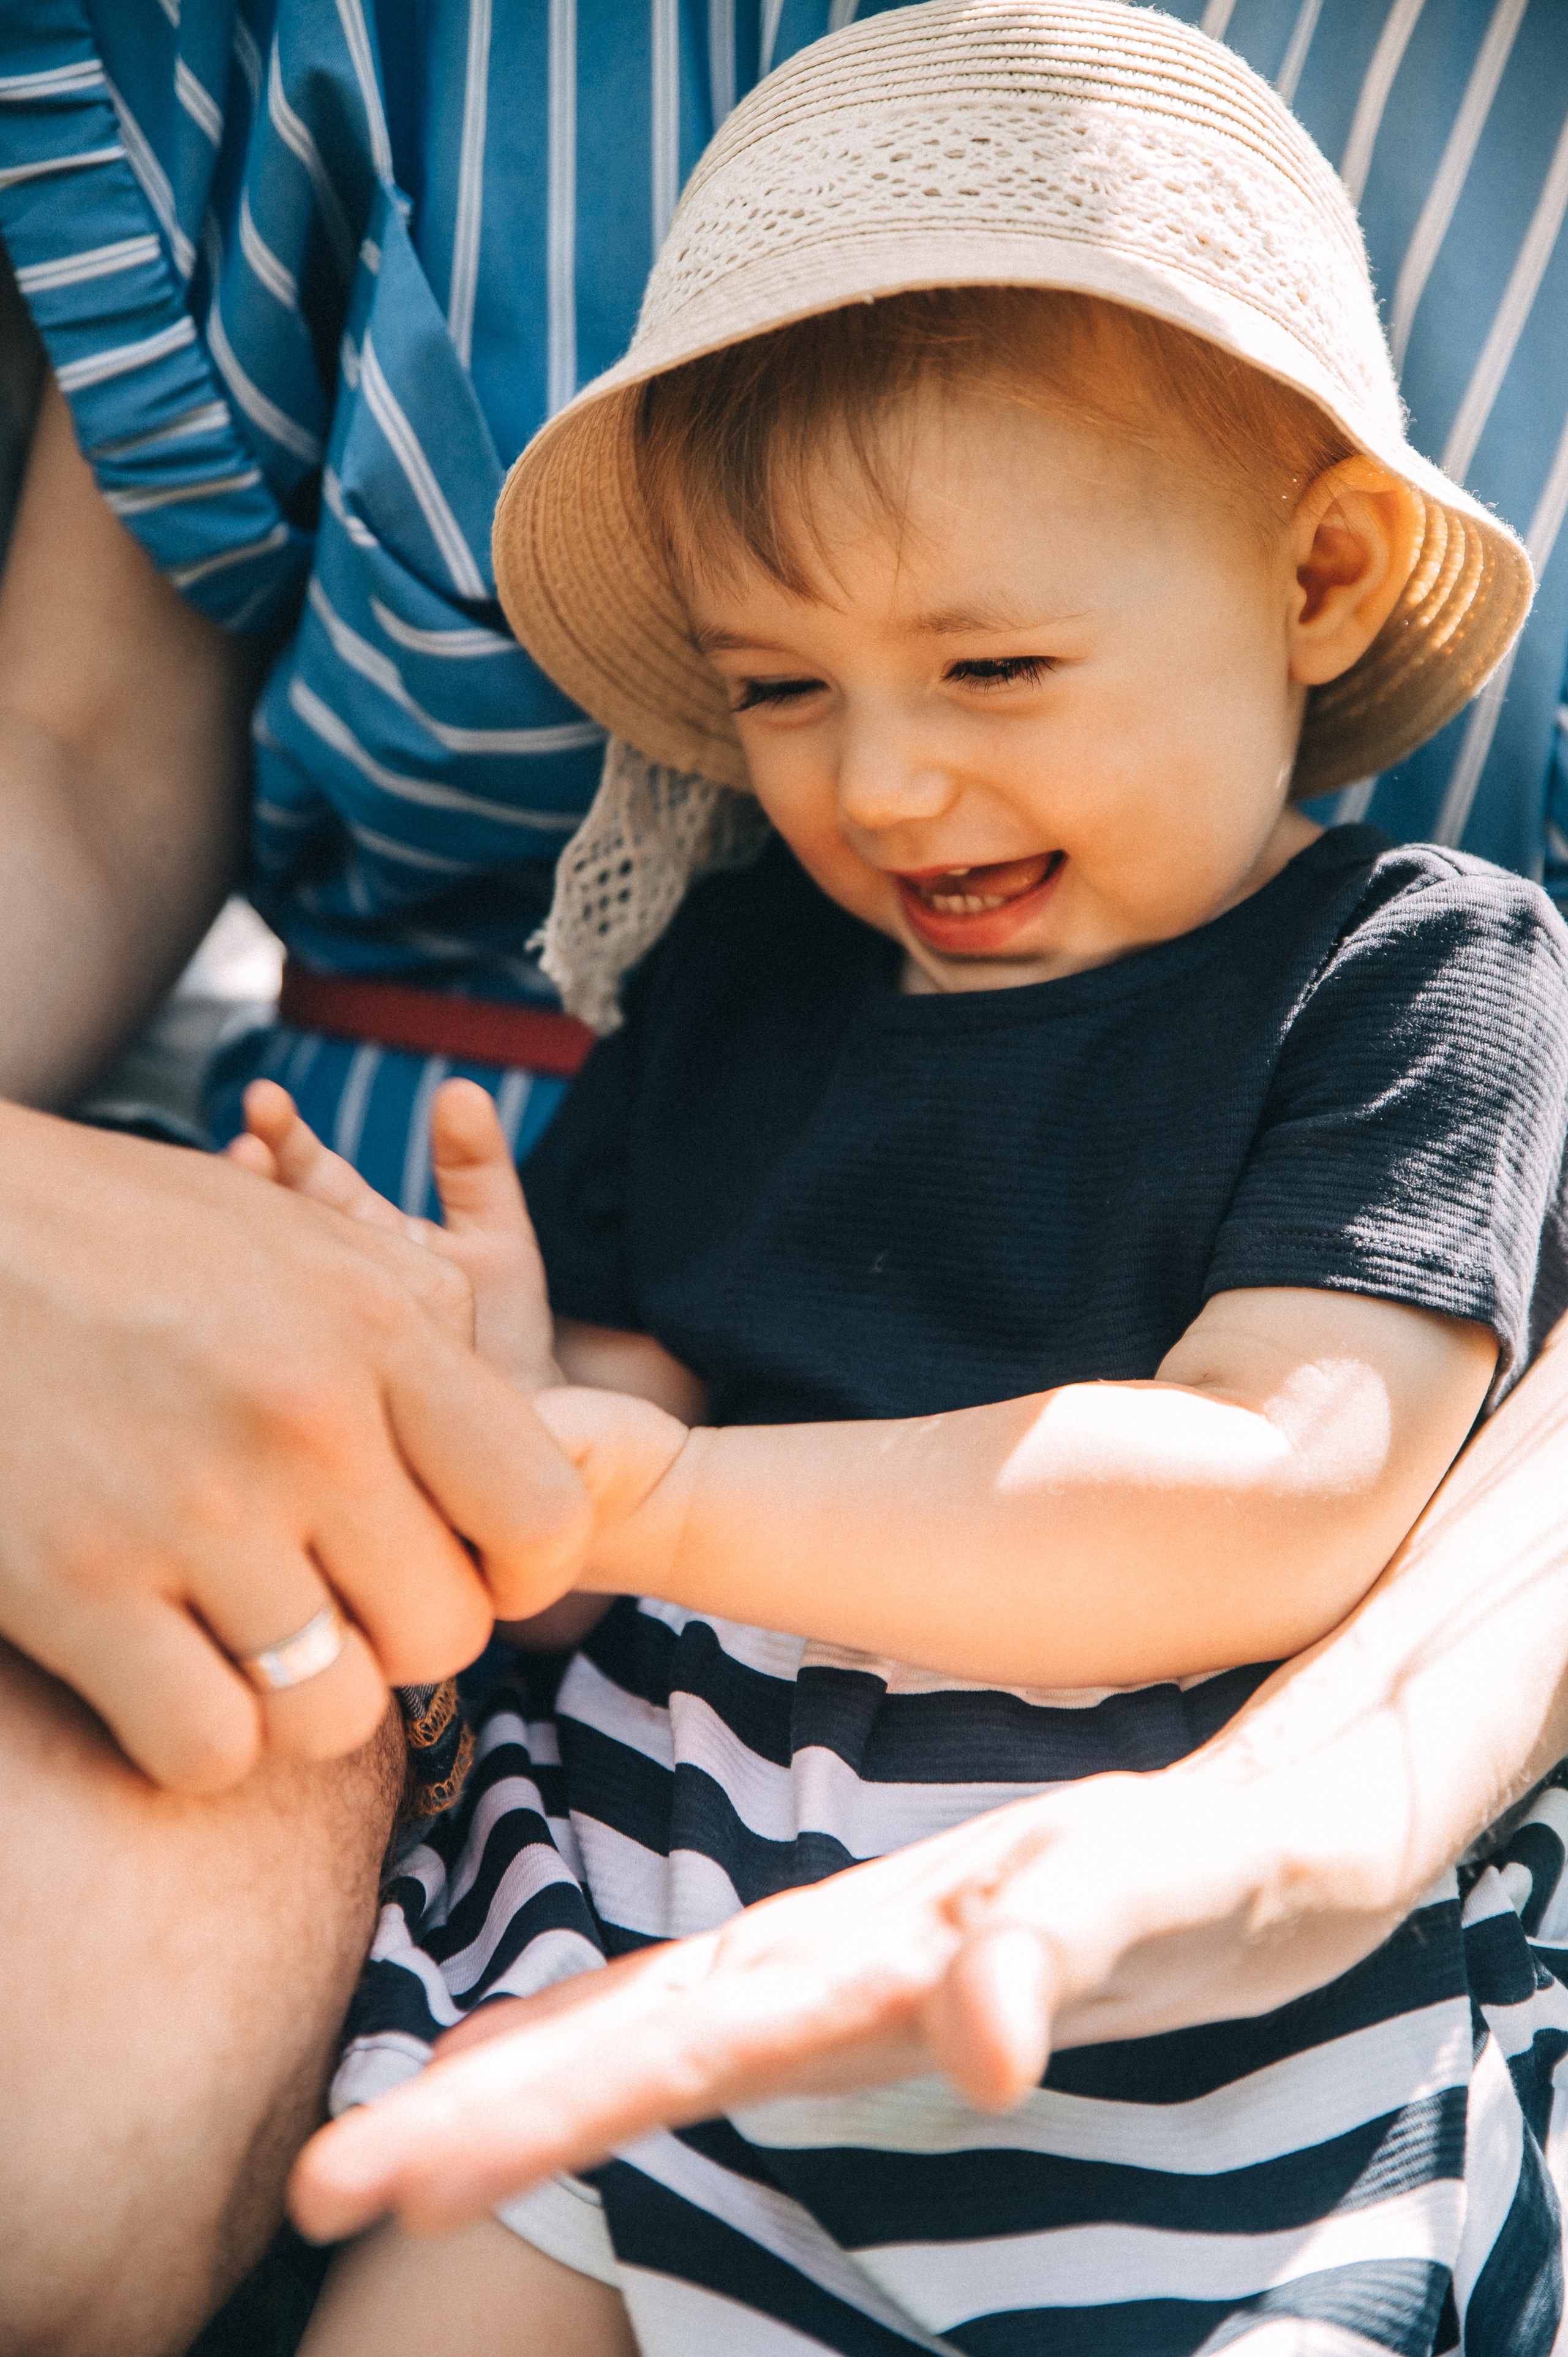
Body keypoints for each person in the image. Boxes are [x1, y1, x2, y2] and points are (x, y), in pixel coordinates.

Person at [2, 2, 1568, 2349]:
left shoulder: (1422, 970)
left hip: (1177, 1922)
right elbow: (629, 1383)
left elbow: (1278, 1491)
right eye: (781, 691)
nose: (889, 790)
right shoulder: (747, 967)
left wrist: (644, 1501)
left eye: (995, 669)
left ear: (1325, 579)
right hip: (648, 1832)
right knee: (467, 2216)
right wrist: (497, 1406)